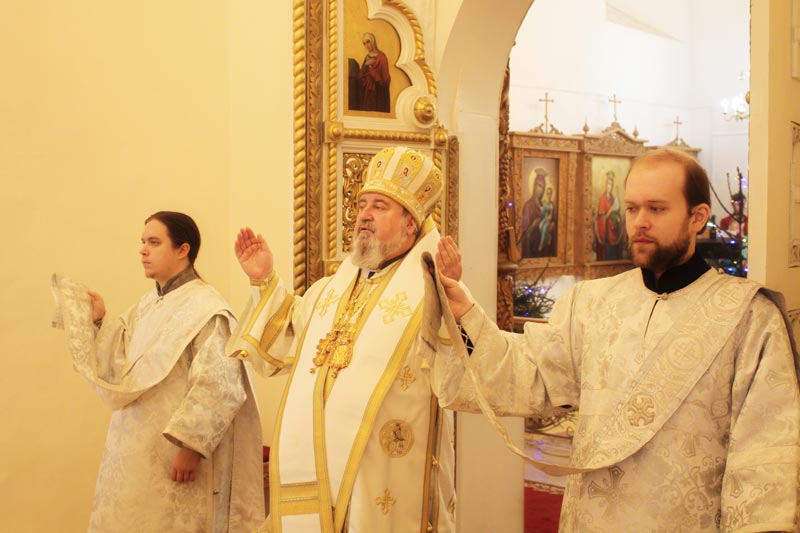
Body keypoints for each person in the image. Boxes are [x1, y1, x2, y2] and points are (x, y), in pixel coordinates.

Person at [436, 149, 800, 532]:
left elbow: (764, 453)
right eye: (631, 208)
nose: (639, 222)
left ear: (697, 217)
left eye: (656, 209)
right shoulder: (592, 302)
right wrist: (466, 314)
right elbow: (529, 372)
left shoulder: (749, 317)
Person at [228, 146, 459, 532]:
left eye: (380, 206)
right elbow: (290, 338)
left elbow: (460, 373)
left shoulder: (431, 293)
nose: (364, 214)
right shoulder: (331, 290)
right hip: (321, 470)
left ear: (411, 224)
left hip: (382, 475)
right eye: (362, 204)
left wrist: (452, 304)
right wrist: (264, 280)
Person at [51, 211, 265, 532]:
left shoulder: (206, 307)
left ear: (183, 250)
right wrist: (99, 320)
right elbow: (123, 362)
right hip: (134, 452)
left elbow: (219, 382)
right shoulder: (149, 303)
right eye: (143, 242)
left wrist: (191, 446)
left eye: (154, 242)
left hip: (175, 456)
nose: (143, 250)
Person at [357, 32, 391, 112]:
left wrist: (371, 69)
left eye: (368, 42)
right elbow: (361, 75)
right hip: (368, 92)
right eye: (364, 44)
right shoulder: (367, 57)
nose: (367, 45)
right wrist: (366, 65)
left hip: (379, 93)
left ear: (373, 41)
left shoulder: (382, 57)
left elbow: (385, 79)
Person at [594, 170, 623, 260]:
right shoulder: (603, 199)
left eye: (611, 184)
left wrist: (617, 217)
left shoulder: (613, 199)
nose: (609, 187)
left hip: (613, 230)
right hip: (605, 232)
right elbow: (601, 217)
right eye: (608, 184)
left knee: (613, 253)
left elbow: (616, 212)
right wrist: (611, 211)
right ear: (605, 185)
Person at [520, 167, 546, 257]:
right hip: (532, 250)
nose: (541, 190)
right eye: (539, 186)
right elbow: (523, 235)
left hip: (543, 250)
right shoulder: (528, 206)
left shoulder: (543, 206)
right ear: (534, 186)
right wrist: (533, 225)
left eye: (543, 187)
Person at [538, 186, 555, 253]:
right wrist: (541, 207)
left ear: (551, 194)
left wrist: (551, 218)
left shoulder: (552, 204)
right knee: (540, 226)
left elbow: (553, 214)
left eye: (550, 193)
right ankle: (549, 236)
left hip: (550, 220)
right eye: (547, 193)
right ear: (546, 194)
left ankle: (541, 245)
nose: (549, 195)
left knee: (545, 228)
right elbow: (543, 212)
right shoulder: (545, 203)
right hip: (545, 219)